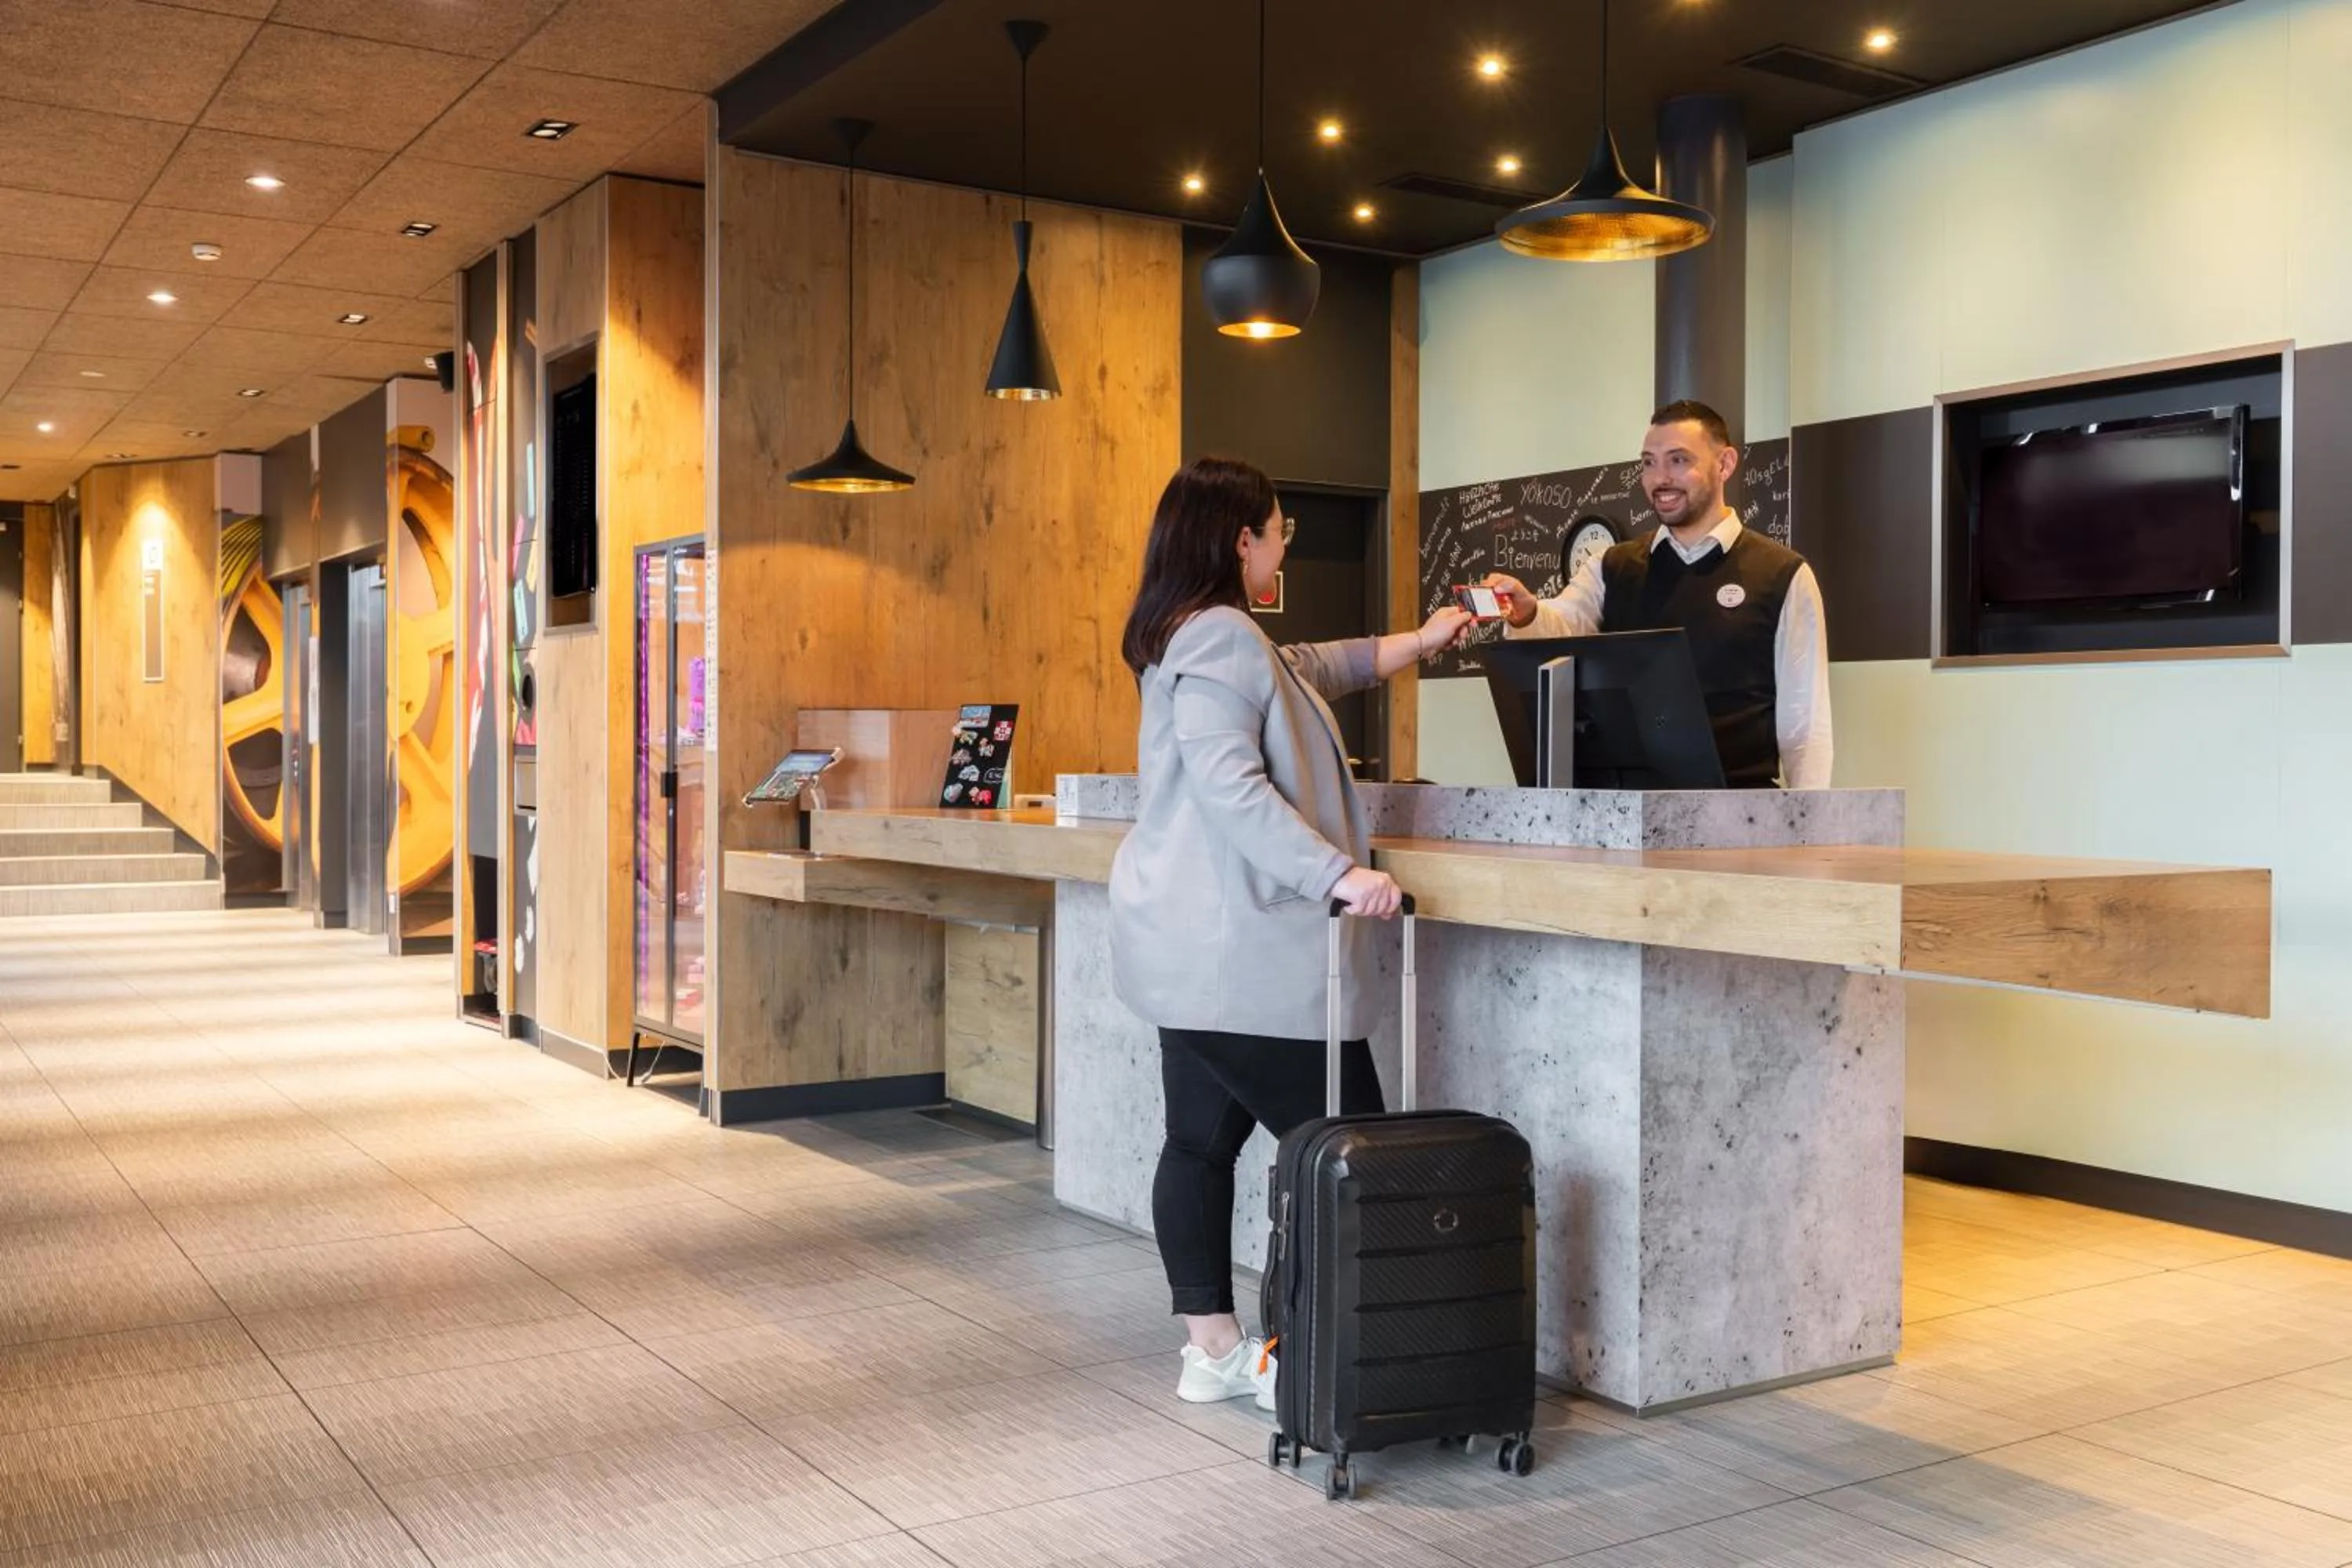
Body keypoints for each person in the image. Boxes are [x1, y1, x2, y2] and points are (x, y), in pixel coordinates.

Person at [1111, 456, 1472, 1410]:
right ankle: (1308, 1360)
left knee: (1197, 1144)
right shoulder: (1225, 635)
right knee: (1348, 1155)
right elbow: (1233, 784)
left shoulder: (1197, 635)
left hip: (1190, 957)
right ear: (1243, 540)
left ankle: (1216, 1350)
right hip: (1248, 960)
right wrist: (1339, 873)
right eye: (1280, 531)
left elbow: (1328, 664)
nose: (1283, 547)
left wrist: (1428, 637)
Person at [1484, 400, 1832, 789]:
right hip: (1625, 814)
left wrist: (1807, 829)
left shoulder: (1784, 574)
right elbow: (1561, 629)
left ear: (1725, 464)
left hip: (1739, 816)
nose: (1659, 478)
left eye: (1678, 460)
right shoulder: (1611, 566)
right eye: (1649, 462)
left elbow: (1805, 724)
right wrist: (1527, 613)